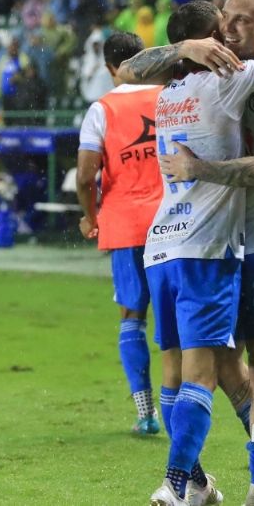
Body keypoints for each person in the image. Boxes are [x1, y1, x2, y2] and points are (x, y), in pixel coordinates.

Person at [117, 0, 254, 506]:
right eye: (222, 26)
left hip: (196, 242)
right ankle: (185, 483)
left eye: (239, 21)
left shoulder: (168, 94)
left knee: (213, 365)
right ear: (207, 44)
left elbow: (126, 69)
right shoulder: (227, 78)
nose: (229, 34)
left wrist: (186, 50)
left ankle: (251, 478)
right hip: (210, 246)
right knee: (208, 368)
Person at [76, 31, 165, 436]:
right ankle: (185, 404)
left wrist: (89, 216)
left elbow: (84, 176)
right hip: (175, 220)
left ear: (111, 68)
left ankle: (147, 414)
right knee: (176, 319)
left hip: (126, 222)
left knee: (132, 317)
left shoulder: (103, 109)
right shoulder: (169, 95)